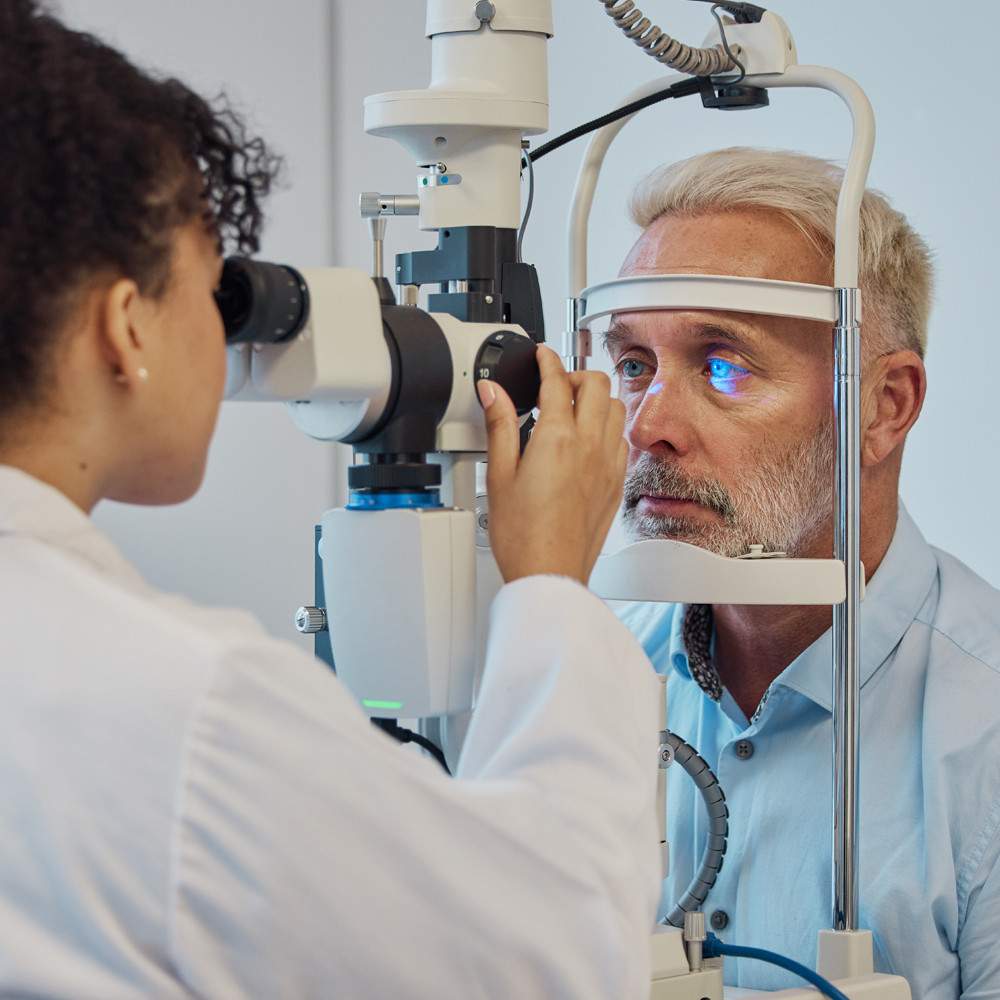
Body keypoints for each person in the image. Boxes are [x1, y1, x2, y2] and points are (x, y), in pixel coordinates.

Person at [0, 2, 662, 996]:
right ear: (125, 325)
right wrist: (554, 591)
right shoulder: (195, 709)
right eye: (212, 288)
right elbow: (557, 954)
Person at [609, 146, 1000, 999]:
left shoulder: (984, 737)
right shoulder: (592, 679)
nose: (649, 425)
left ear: (883, 405)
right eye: (634, 363)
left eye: (723, 365)